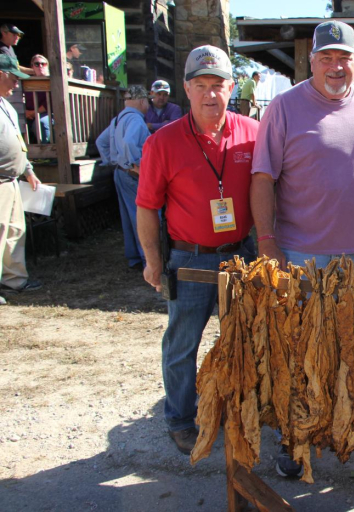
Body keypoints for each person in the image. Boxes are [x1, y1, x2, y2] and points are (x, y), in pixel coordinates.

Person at [250, 20, 354, 477]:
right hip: (302, 254)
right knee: (300, 353)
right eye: (326, 58)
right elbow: (262, 178)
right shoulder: (285, 108)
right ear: (311, 61)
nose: (336, 66)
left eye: (344, 57)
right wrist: (267, 243)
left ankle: (347, 432)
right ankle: (294, 442)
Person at [136, 45, 259, 455]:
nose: (211, 94)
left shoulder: (252, 132)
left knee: (245, 337)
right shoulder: (163, 142)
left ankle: (240, 409)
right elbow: (147, 206)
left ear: (231, 89)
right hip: (188, 258)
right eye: (201, 85)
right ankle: (179, 419)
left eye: (218, 85)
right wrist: (154, 261)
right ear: (186, 89)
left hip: (242, 254)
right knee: (182, 342)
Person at [0, 55, 42, 305]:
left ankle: (14, 279)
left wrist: (28, 170)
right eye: (13, 77)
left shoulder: (5, 105)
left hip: (11, 179)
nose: (17, 83)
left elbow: (17, 140)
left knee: (16, 230)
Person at [96, 85, 152, 270]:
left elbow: (101, 142)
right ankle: (148, 260)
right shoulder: (136, 119)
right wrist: (136, 164)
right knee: (142, 216)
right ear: (143, 101)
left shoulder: (117, 120)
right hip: (131, 174)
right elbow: (129, 142)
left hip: (119, 173)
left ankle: (134, 258)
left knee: (127, 216)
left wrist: (111, 160)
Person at [24, 54, 50, 144]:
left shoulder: (52, 80)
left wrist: (34, 113)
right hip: (29, 114)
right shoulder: (26, 81)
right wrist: (25, 112)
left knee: (41, 123)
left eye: (43, 64)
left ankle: (46, 152)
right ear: (32, 67)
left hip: (48, 113)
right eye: (37, 64)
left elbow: (49, 104)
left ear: (47, 65)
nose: (40, 66)